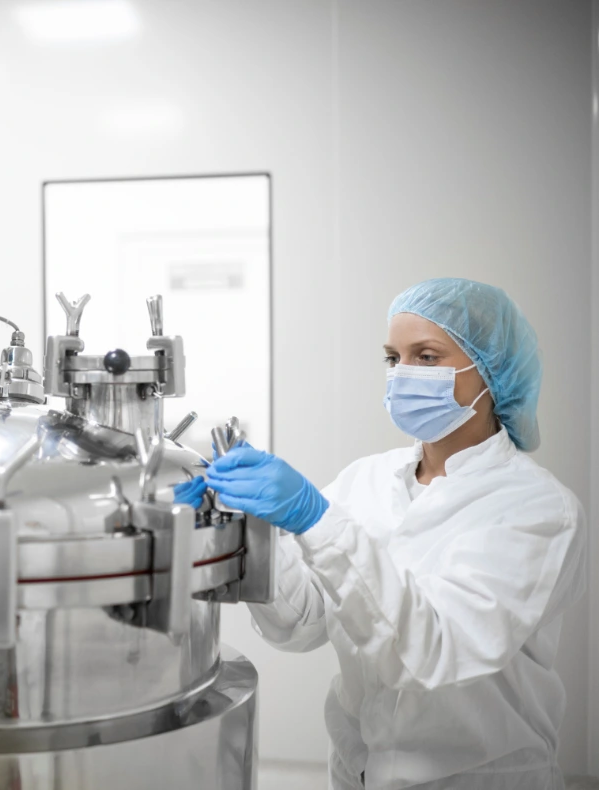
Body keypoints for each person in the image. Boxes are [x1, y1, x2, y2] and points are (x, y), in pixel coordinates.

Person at [176, 278, 585, 790]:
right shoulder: (368, 478)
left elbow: (431, 652)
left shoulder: (537, 509)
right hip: (357, 772)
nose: (402, 374)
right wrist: (250, 528)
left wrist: (313, 518)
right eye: (394, 357)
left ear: (490, 371)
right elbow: (303, 621)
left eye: (427, 356)